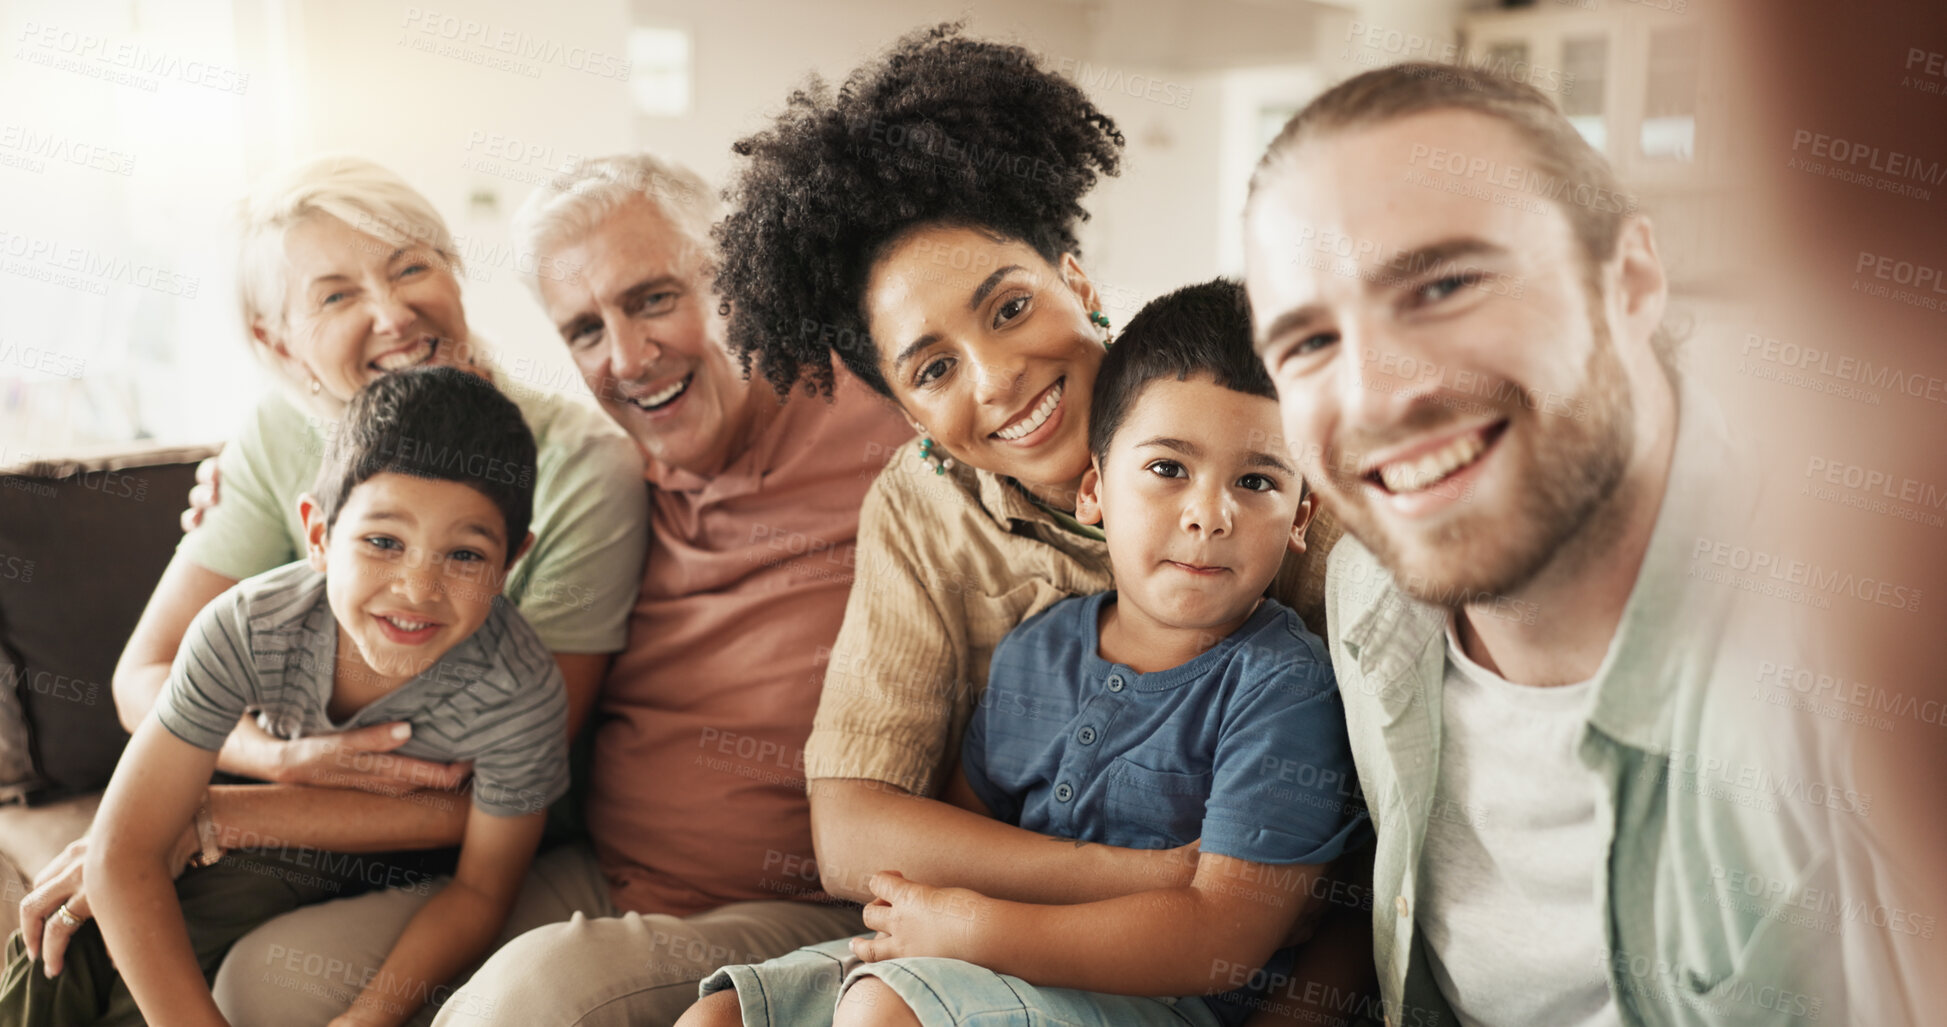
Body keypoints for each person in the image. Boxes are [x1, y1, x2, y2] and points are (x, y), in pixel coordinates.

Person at [703, 24, 1371, 1024]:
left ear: (1078, 279)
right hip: (1000, 942)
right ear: (903, 405)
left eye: (1010, 308)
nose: (998, 376)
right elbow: (853, 833)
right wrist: (1131, 879)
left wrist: (991, 922)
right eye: (933, 369)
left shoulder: (1267, 434)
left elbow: (1355, 862)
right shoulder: (944, 534)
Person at [1244, 62, 1902, 1025]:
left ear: (1629, 281)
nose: (1377, 393)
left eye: (1445, 283)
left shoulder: (1850, 632)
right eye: (1306, 343)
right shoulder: (1363, 591)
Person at [212, 153, 912, 1027]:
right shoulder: (617, 469)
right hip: (603, 876)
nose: (627, 357)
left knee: (529, 999)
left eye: (655, 297)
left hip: (801, 909)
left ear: (739, 276)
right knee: (265, 979)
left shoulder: (892, 422)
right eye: (584, 330)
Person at [12, 155, 647, 1010]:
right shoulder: (280, 436)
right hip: (281, 785)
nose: (393, 312)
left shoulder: (582, 469)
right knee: (77, 929)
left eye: (411, 266)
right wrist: (275, 760)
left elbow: (507, 779)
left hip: (464, 824)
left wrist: (213, 819)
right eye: (336, 294)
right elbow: (145, 677)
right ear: (279, 343)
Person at [2, 367, 567, 1027]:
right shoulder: (245, 626)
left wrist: (367, 1017)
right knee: (65, 934)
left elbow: (480, 889)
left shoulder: (520, 686)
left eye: (465, 555)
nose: (418, 588)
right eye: (383, 541)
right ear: (319, 534)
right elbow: (123, 852)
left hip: (414, 869)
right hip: (277, 840)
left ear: (511, 561)